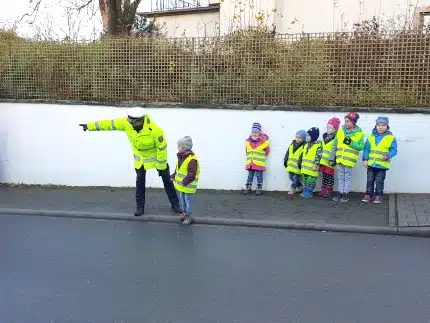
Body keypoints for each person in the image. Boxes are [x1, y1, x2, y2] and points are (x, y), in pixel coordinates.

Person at [79, 107, 181, 216]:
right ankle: (140, 207)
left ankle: (176, 205)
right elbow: (109, 124)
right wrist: (89, 126)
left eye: (132, 121)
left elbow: (162, 148)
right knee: (140, 183)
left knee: (167, 181)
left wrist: (161, 167)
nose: (129, 123)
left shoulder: (155, 130)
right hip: (140, 160)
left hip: (157, 159)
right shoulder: (126, 123)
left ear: (140, 121)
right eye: (129, 120)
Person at [329, 112, 365, 203]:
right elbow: (334, 145)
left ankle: (345, 193)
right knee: (340, 176)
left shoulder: (359, 133)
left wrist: (351, 143)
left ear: (354, 122)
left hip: (349, 160)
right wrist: (331, 158)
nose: (346, 123)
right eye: (345, 121)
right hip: (339, 159)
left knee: (347, 177)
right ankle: (340, 192)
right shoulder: (340, 132)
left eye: (348, 121)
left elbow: (361, 146)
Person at [361, 116, 398, 204]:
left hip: (382, 165)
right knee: (370, 180)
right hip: (371, 164)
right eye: (379, 125)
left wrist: (388, 155)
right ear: (376, 126)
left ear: (387, 127)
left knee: (379, 180)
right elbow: (366, 149)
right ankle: (368, 194)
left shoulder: (391, 138)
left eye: (383, 125)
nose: (381, 127)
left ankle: (378, 195)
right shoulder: (370, 137)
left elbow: (394, 150)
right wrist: (365, 159)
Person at [171, 136, 200, 225]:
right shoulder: (181, 157)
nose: (177, 148)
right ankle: (184, 214)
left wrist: (185, 182)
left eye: (179, 146)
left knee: (187, 201)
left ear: (184, 148)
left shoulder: (192, 160)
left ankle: (188, 217)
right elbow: (178, 169)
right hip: (182, 186)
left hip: (187, 186)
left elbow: (192, 173)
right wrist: (173, 176)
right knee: (183, 200)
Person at [243, 122, 270, 195]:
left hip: (259, 163)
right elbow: (247, 150)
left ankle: (259, 187)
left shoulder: (263, 142)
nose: (254, 133)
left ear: (259, 133)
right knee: (250, 175)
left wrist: (260, 156)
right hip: (251, 162)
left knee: (259, 175)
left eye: (256, 132)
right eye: (252, 132)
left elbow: (267, 151)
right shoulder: (248, 141)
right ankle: (248, 187)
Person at [318, 117, 341, 198]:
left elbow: (336, 149)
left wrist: (334, 159)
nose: (328, 129)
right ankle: (323, 189)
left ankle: (329, 190)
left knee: (330, 176)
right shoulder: (325, 136)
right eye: (327, 127)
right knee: (324, 175)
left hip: (330, 161)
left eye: (330, 127)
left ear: (335, 129)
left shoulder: (336, 138)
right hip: (323, 161)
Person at [300, 127, 322, 199]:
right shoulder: (306, 145)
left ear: (313, 136)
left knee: (310, 181)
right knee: (305, 180)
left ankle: (309, 193)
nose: (307, 137)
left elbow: (318, 156)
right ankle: (305, 191)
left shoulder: (318, 146)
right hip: (305, 168)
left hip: (312, 168)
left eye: (308, 135)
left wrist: (316, 164)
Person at [284, 130, 307, 196]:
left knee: (295, 178)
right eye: (297, 137)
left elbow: (303, 156)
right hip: (290, 166)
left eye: (300, 137)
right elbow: (288, 153)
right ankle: (300, 186)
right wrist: (285, 161)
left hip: (298, 166)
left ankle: (292, 189)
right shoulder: (292, 144)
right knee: (290, 177)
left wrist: (300, 164)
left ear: (303, 138)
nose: (298, 139)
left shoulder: (304, 146)